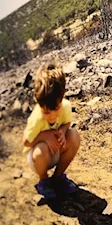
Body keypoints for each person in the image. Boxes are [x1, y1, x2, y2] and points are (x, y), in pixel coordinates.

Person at [22, 63, 81, 199]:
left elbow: (67, 123)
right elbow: (26, 142)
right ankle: (44, 181)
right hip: (39, 159)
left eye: (56, 109)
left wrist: (62, 130)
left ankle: (58, 177)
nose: (52, 116)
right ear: (38, 103)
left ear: (61, 98)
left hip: (56, 151)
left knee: (73, 135)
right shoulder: (36, 118)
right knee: (40, 149)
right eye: (46, 112)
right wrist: (44, 136)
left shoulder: (65, 106)